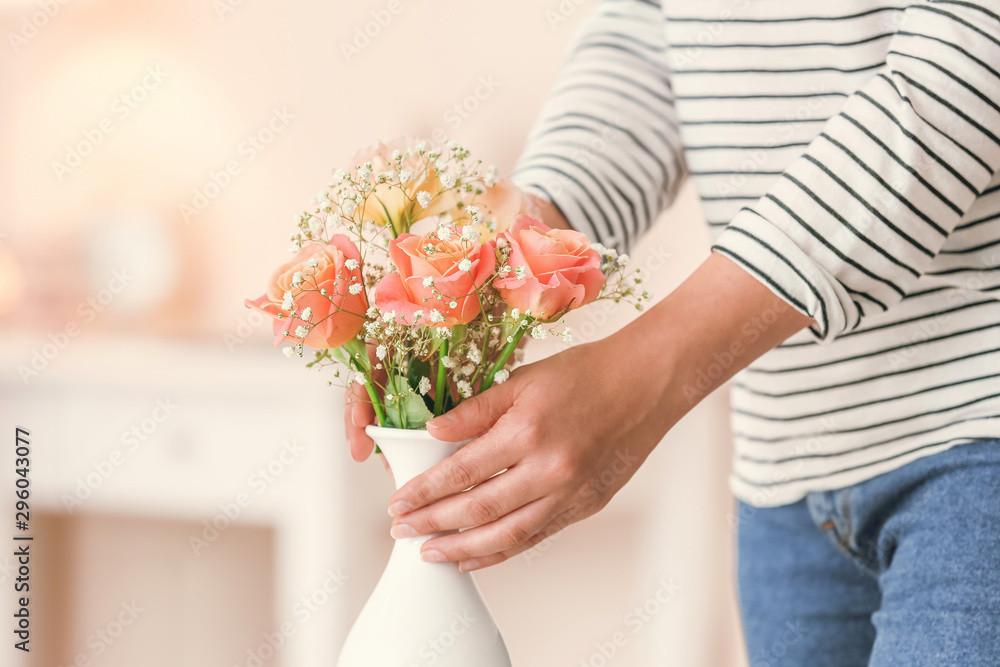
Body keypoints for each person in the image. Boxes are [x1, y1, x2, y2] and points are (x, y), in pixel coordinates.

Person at [346, 1, 1000, 664]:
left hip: (977, 438)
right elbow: (654, 32)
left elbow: (973, 61)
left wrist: (647, 371)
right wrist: (509, 259)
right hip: (788, 470)